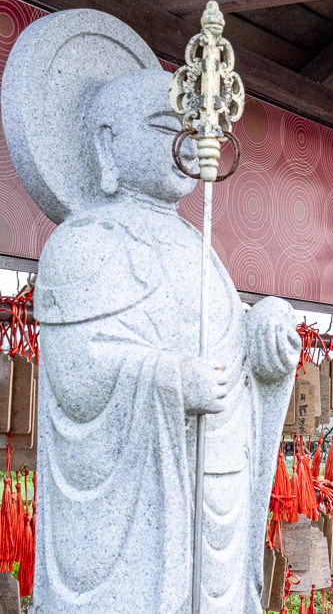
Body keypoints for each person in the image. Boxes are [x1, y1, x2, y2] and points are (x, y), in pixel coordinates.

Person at [27, 68, 300, 612]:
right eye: (165, 128)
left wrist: (265, 333)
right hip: (137, 527)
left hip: (215, 490)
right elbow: (76, 377)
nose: (188, 144)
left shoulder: (198, 246)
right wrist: (170, 378)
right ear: (108, 142)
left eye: (195, 129)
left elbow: (229, 355)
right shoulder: (83, 244)